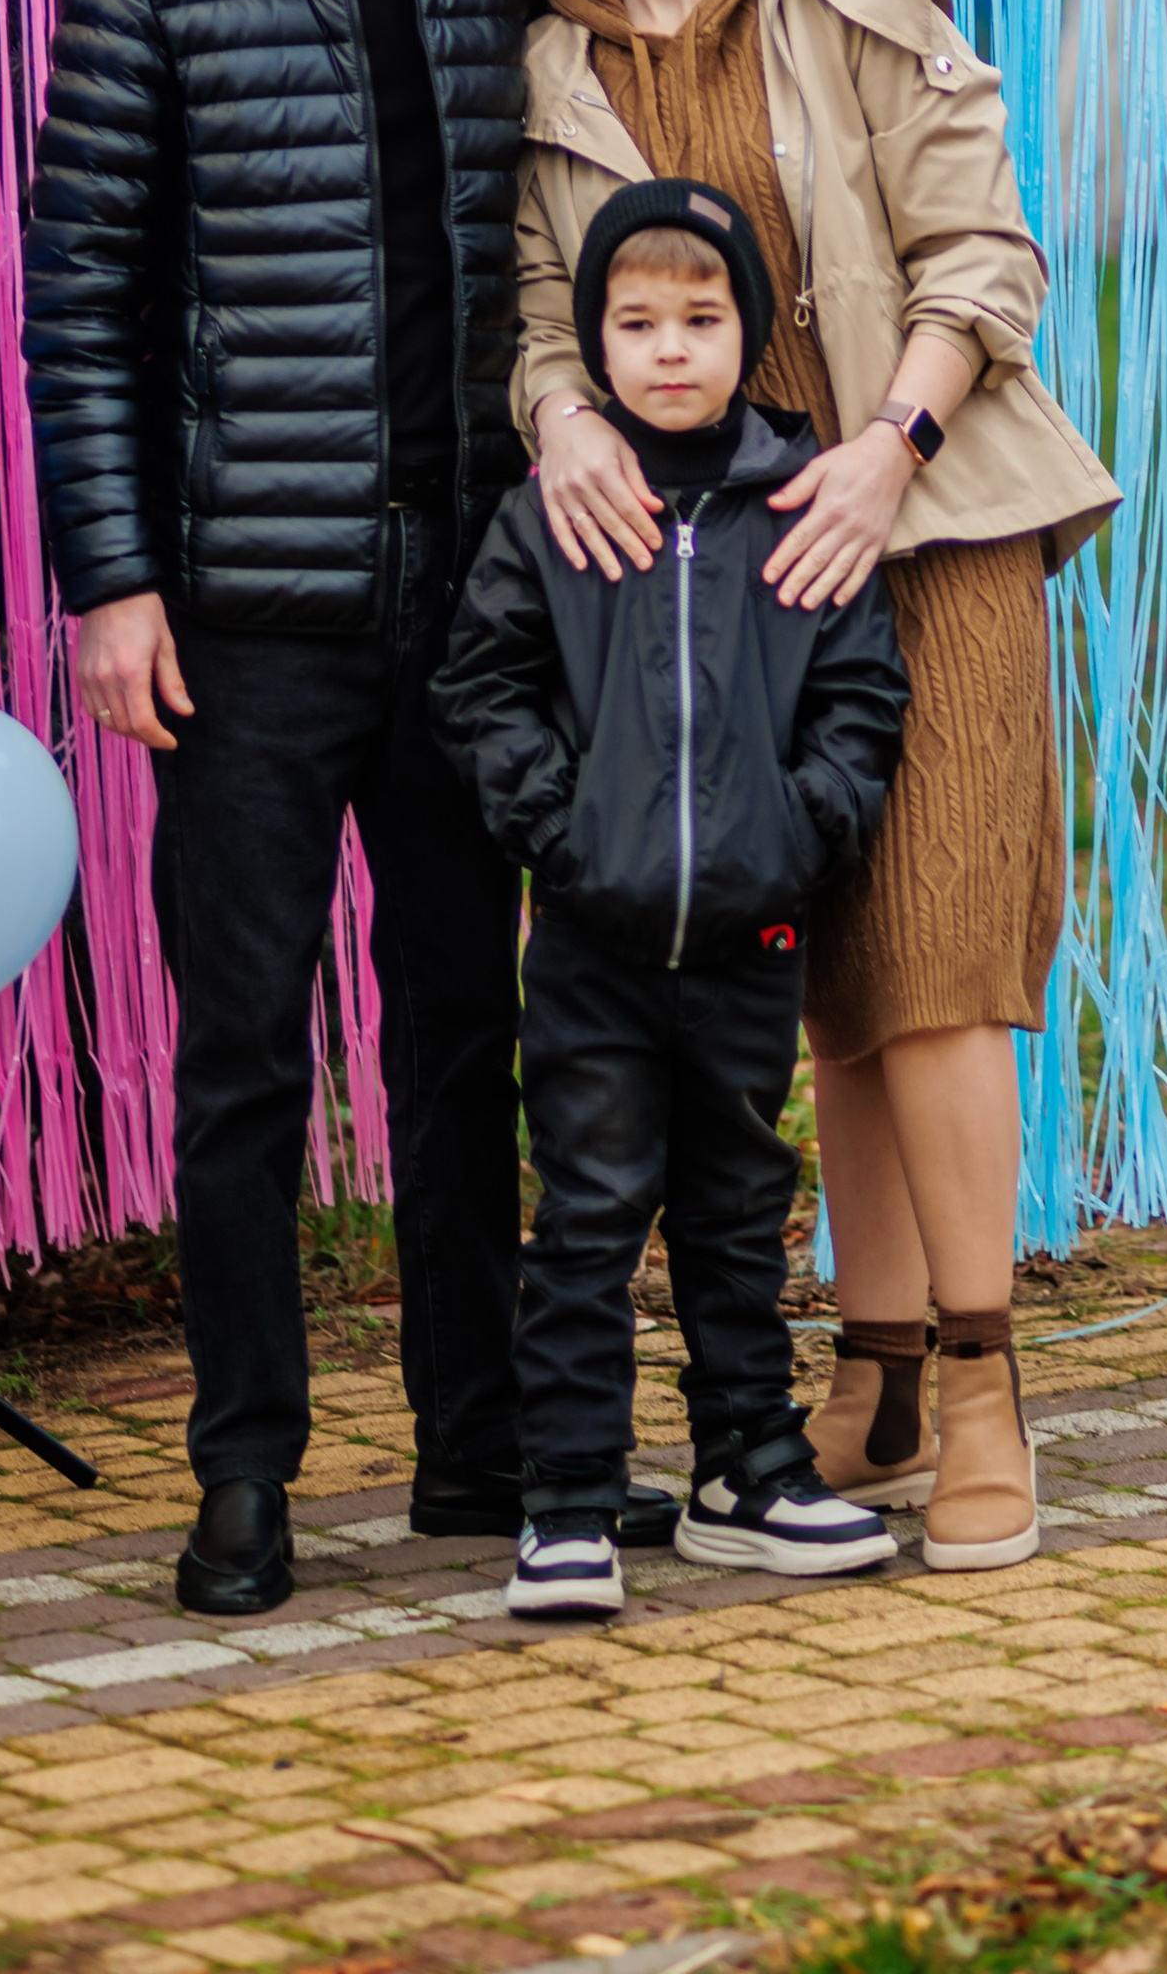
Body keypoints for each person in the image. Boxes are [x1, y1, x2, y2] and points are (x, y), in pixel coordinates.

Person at [513, 0, 1118, 1574]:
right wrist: (552, 414)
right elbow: (544, 313)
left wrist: (888, 448)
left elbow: (986, 255)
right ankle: (868, 1357)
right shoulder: (548, 66)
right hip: (718, 579)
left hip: (916, 535)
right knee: (822, 976)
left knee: (932, 964)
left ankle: (988, 1388)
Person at [23, 0, 577, 1620]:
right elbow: (81, 306)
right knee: (248, 1051)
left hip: (472, 602)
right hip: (244, 623)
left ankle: (477, 1447)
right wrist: (112, 581)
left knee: (462, 1036)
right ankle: (243, 1473)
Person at [432, 176, 911, 1619]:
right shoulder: (558, 513)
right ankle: (567, 1501)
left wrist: (799, 830)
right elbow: (485, 685)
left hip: (753, 939)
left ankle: (746, 1470)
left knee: (731, 1207)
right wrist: (558, 833)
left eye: (700, 319)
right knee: (586, 1215)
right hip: (591, 939)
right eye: (636, 323)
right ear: (598, 344)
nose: (670, 350)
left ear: (744, 331)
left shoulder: (800, 501)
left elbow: (861, 696)